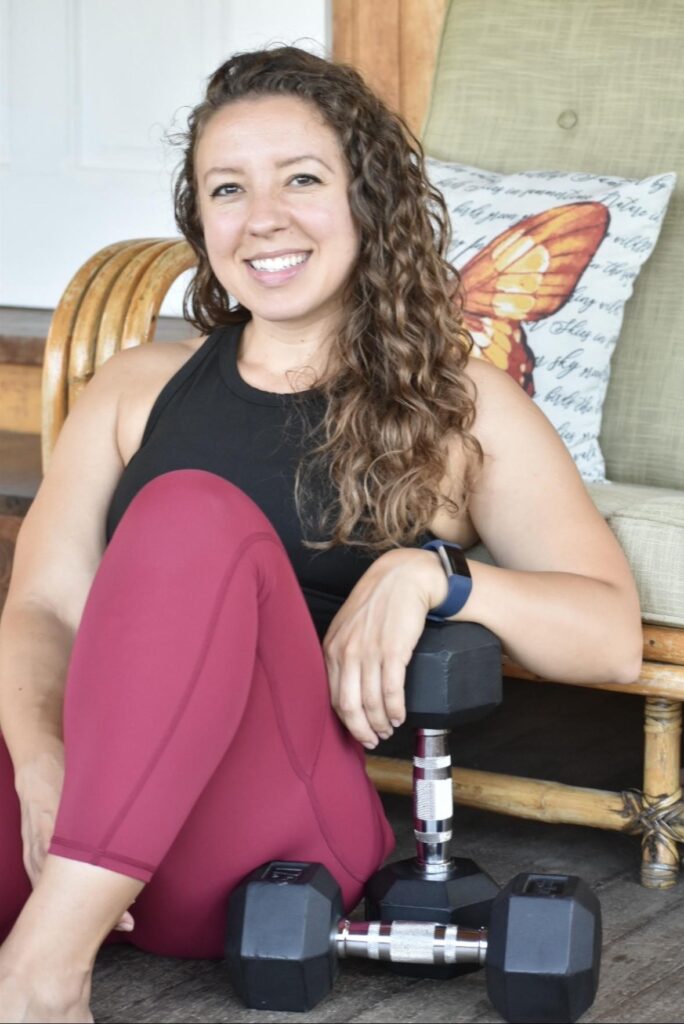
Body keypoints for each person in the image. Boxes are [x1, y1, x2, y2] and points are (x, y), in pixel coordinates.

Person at [0, 45, 642, 1023]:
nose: (264, 217)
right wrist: (41, 756)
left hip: (273, 840)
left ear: (368, 203)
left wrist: (433, 574)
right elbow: (42, 603)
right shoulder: (136, 387)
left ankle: (40, 977)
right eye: (229, 188)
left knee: (190, 512)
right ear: (201, 221)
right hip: (81, 793)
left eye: (301, 178)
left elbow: (609, 633)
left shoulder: (461, 406)